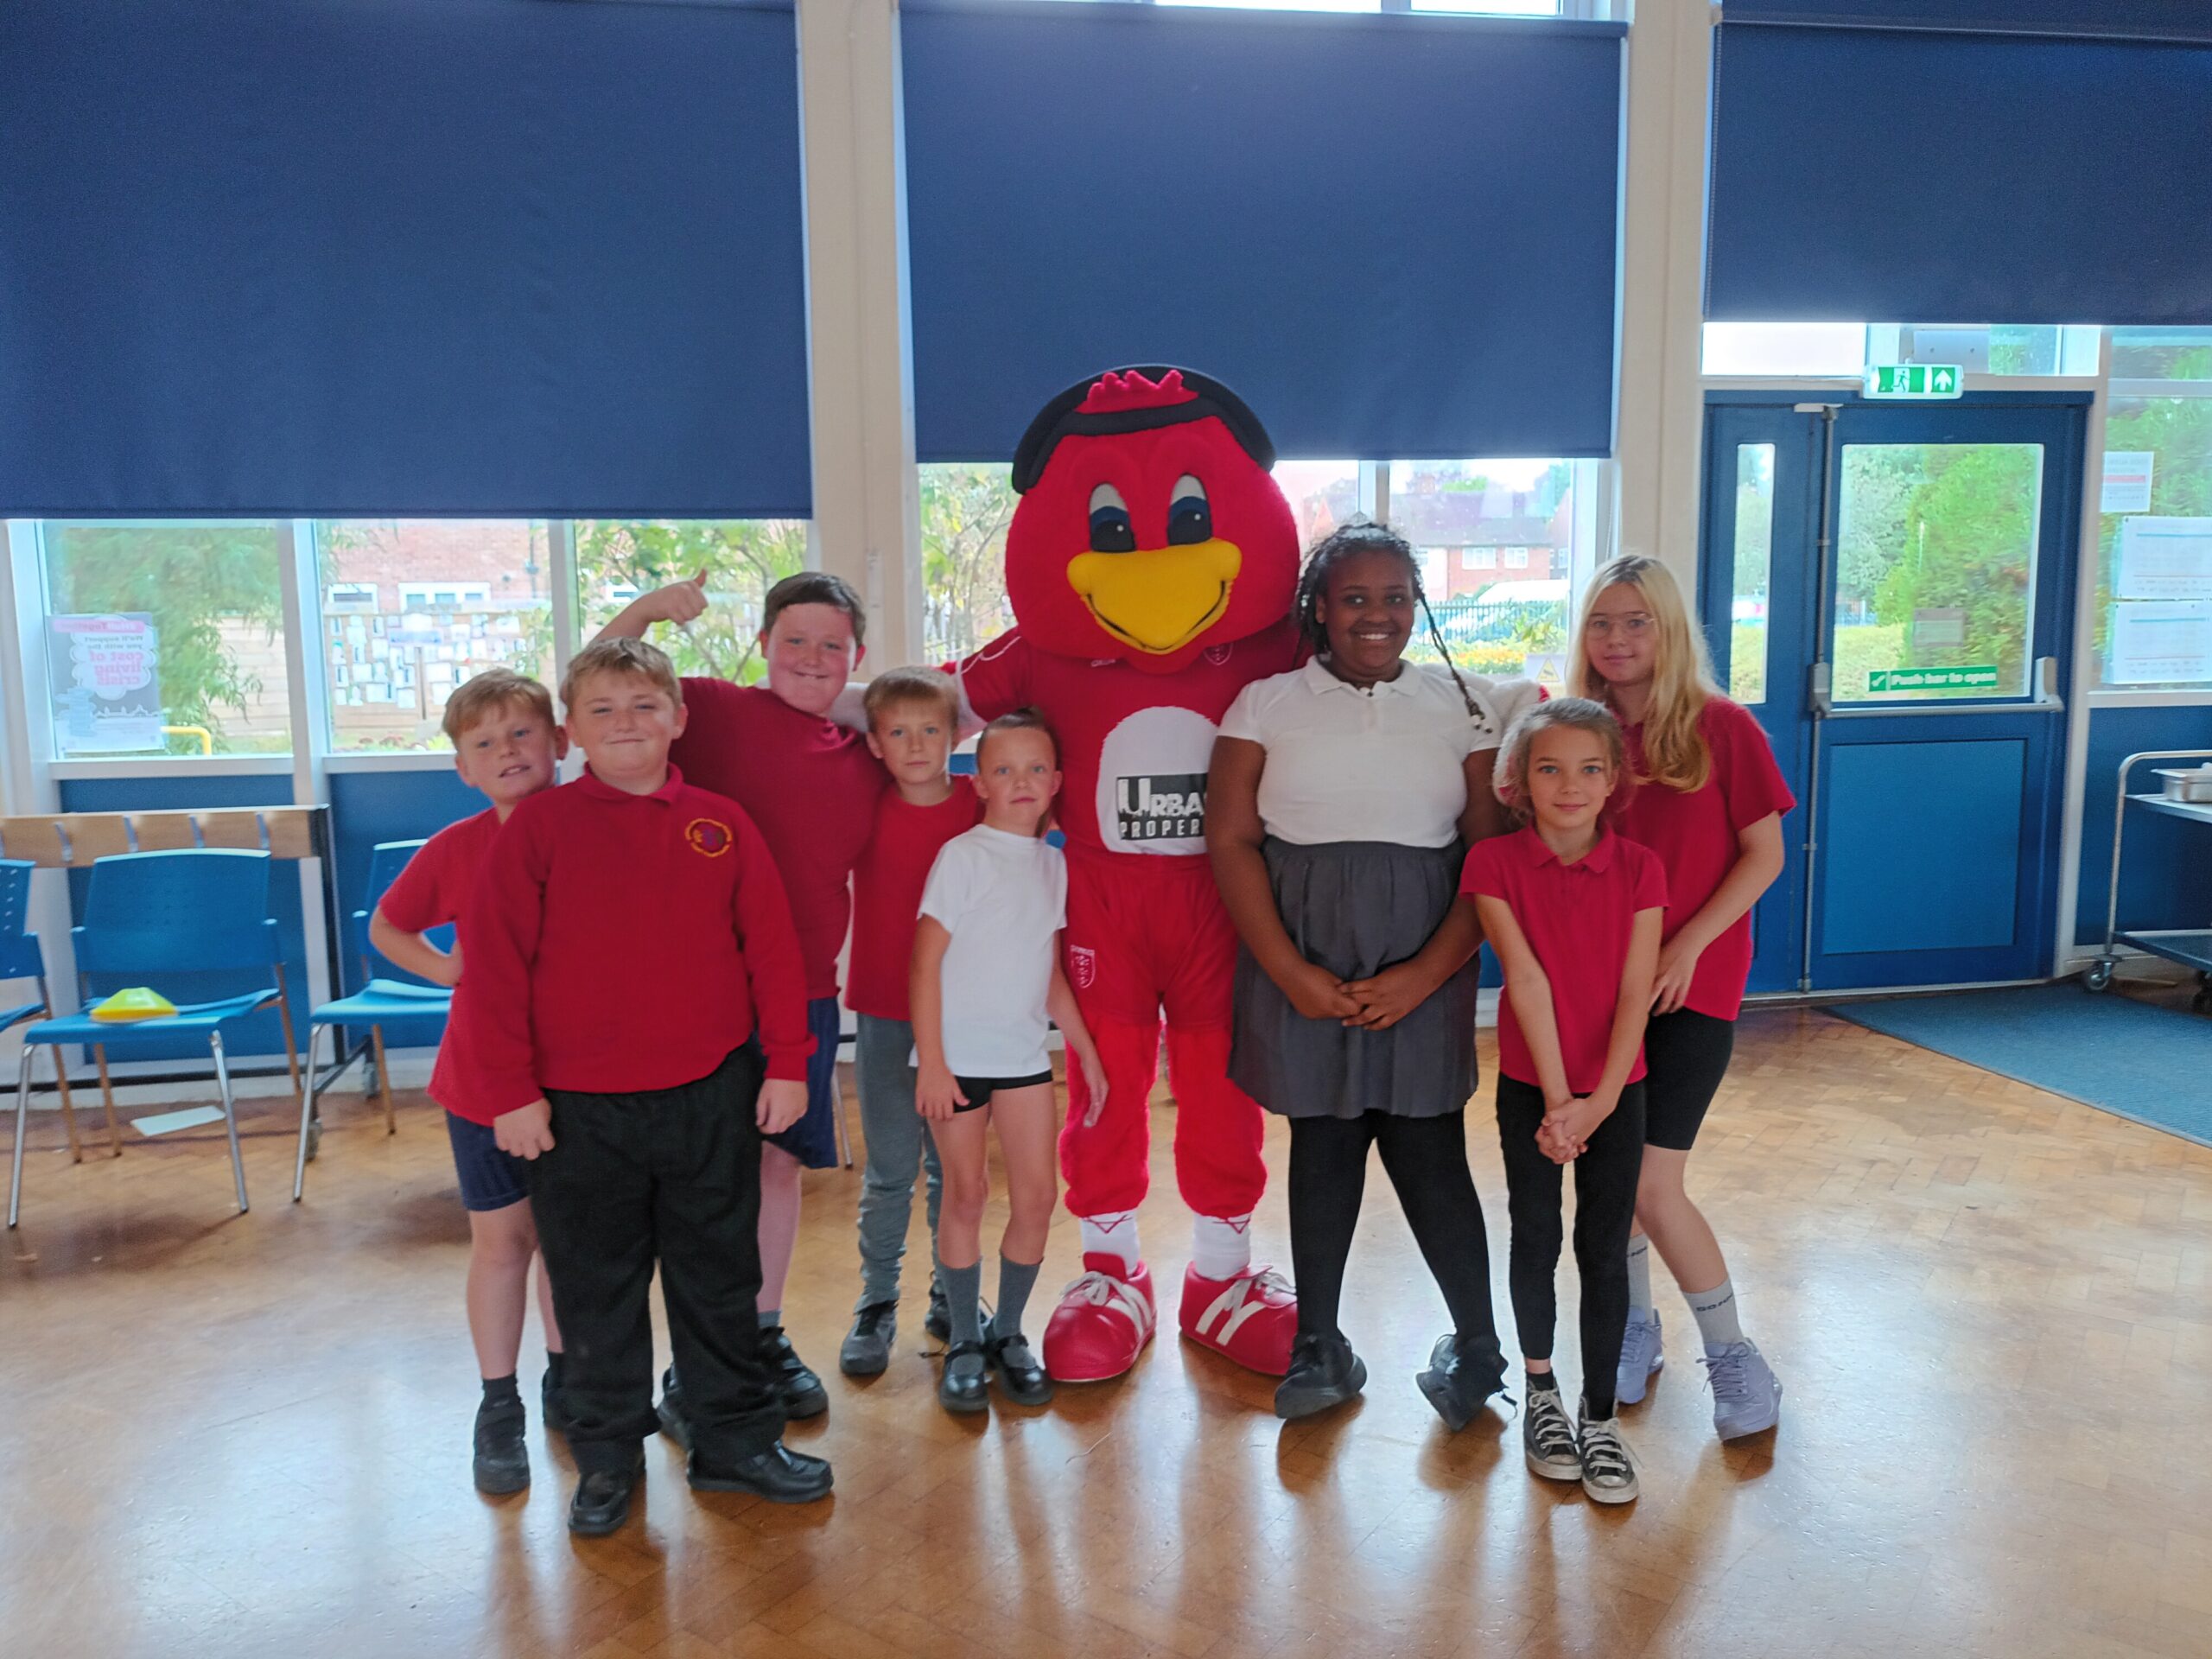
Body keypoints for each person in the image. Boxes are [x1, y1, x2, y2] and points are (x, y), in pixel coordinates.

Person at [464, 638, 830, 1535]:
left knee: (720, 1277)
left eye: (643, 706)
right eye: (602, 710)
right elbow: (495, 970)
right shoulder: (540, 830)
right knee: (595, 1289)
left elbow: (772, 949)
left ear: (678, 718)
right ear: (572, 731)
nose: (624, 723)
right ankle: (606, 1460)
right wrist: (511, 1091)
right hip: (575, 1111)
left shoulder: (721, 823)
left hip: (710, 1094)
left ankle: (733, 1443)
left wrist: (788, 1063)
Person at [1207, 523, 1529, 1426]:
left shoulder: (1462, 707)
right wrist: (1289, 972)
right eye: (1354, 598)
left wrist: (1426, 974)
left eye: (1394, 597)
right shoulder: (1263, 705)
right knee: (1324, 1142)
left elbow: (1488, 856)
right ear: (1319, 607)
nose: (1376, 615)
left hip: (1423, 951)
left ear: (1416, 606)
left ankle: (1477, 1346)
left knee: (1429, 1146)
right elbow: (1230, 841)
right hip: (1302, 954)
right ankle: (1319, 1344)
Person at [596, 571, 885, 1426]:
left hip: (805, 994)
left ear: (857, 656)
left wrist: (866, 704)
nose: (812, 658)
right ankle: (699, 1355)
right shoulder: (716, 710)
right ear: (762, 645)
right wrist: (649, 611)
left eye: (831, 645)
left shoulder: (866, 747)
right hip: (702, 991)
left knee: (777, 1166)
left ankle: (761, 1333)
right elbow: (602, 684)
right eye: (794, 640)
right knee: (704, 1180)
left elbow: (949, 710)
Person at [1573, 556, 1790, 1440]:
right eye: (1602, 622)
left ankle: (1735, 1356)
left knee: (1653, 1184)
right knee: (1609, 1177)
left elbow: (1764, 856)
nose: (1617, 639)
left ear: (1668, 630)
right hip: (1600, 991)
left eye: (1637, 622)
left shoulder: (1723, 726)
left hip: (1693, 986)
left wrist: (1685, 945)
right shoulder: (1579, 732)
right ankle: (1635, 1324)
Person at [368, 669, 569, 1497]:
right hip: (485, 1078)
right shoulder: (456, 848)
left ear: (559, 742)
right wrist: (447, 969)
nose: (507, 751)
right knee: (504, 1243)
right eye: (484, 743)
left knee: (568, 1243)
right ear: (463, 767)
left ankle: (568, 1381)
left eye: (522, 732)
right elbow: (388, 925)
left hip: (580, 1079)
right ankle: (498, 1403)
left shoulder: (594, 826)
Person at [1463, 697, 1664, 1506]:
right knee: (1537, 1234)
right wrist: (1558, 1103)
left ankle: (1600, 1415)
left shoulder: (1642, 869)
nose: (1570, 785)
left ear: (1613, 781)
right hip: (1532, 1090)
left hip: (1619, 1090)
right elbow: (1527, 979)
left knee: (1604, 1247)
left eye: (1588, 769)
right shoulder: (1492, 865)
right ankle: (1542, 1392)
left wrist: (1600, 1102)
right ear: (1520, 780)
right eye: (1550, 768)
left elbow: (1635, 992)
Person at [910, 711, 1109, 1413]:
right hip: (957, 1059)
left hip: (1023, 1057)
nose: (1021, 781)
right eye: (1003, 769)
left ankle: (1008, 1333)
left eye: (1035, 769)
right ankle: (965, 1340)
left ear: (1055, 782)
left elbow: (1047, 970)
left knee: (1037, 1197)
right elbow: (924, 964)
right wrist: (933, 1064)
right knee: (965, 1195)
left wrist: (1085, 1050)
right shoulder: (963, 857)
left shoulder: (1053, 863)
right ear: (980, 785)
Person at [838, 667, 974, 1376]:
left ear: (955, 736)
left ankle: (952, 1293)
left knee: (953, 1170)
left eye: (930, 730)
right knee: (891, 1171)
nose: (916, 745)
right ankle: (876, 1302)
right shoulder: (860, 806)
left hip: (966, 1018)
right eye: (898, 732)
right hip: (886, 1014)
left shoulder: (982, 804)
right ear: (874, 744)